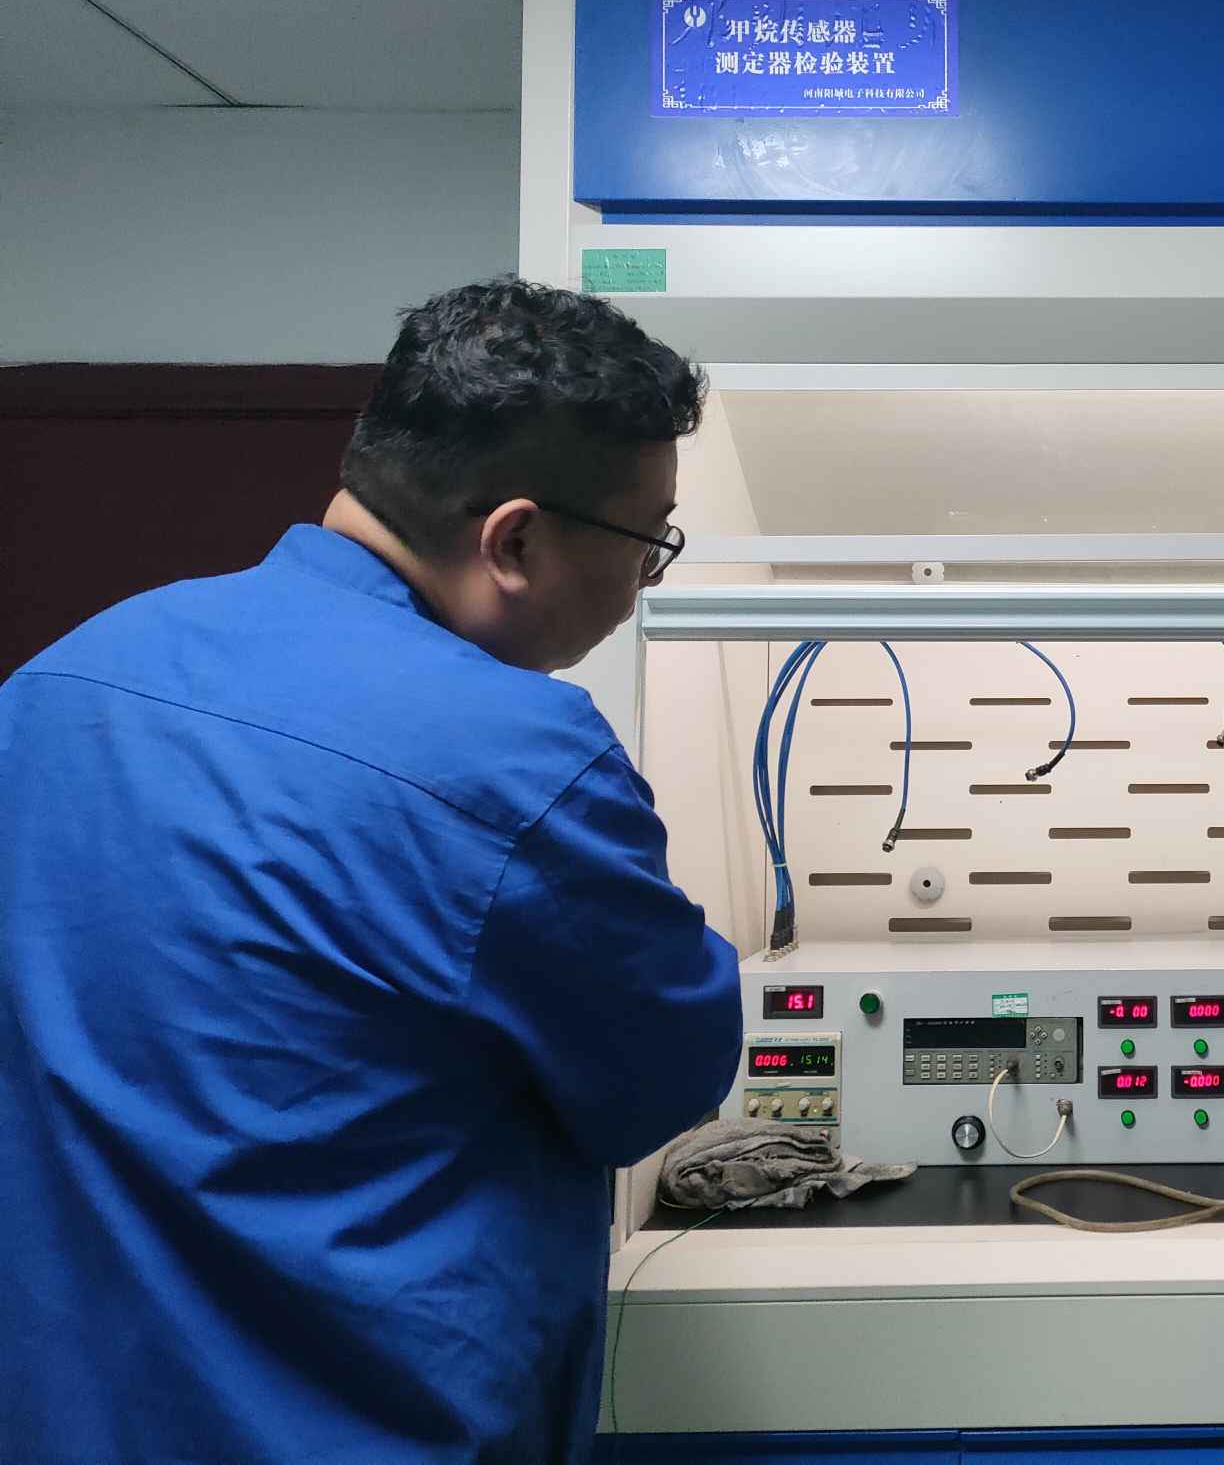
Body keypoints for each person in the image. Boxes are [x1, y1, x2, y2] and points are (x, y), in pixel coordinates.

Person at [0, 280, 742, 1463]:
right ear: (515, 540)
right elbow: (660, 1079)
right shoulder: (514, 762)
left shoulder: (57, 684)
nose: (644, 576)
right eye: (648, 541)